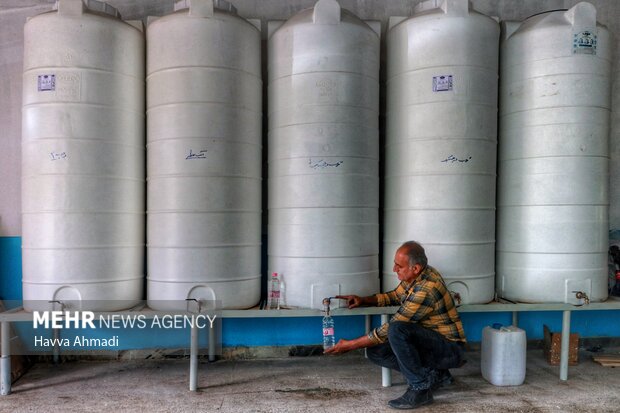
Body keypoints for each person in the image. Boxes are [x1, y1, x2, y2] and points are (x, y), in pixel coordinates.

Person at [324, 240, 466, 410]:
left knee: (397, 329)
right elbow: (394, 296)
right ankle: (435, 374)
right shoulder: (416, 276)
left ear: (415, 268)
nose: (394, 269)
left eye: (399, 266)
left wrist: (350, 345)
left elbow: (391, 328)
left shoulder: (426, 288)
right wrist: (364, 300)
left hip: (449, 348)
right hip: (431, 344)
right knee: (376, 351)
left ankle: (420, 389)